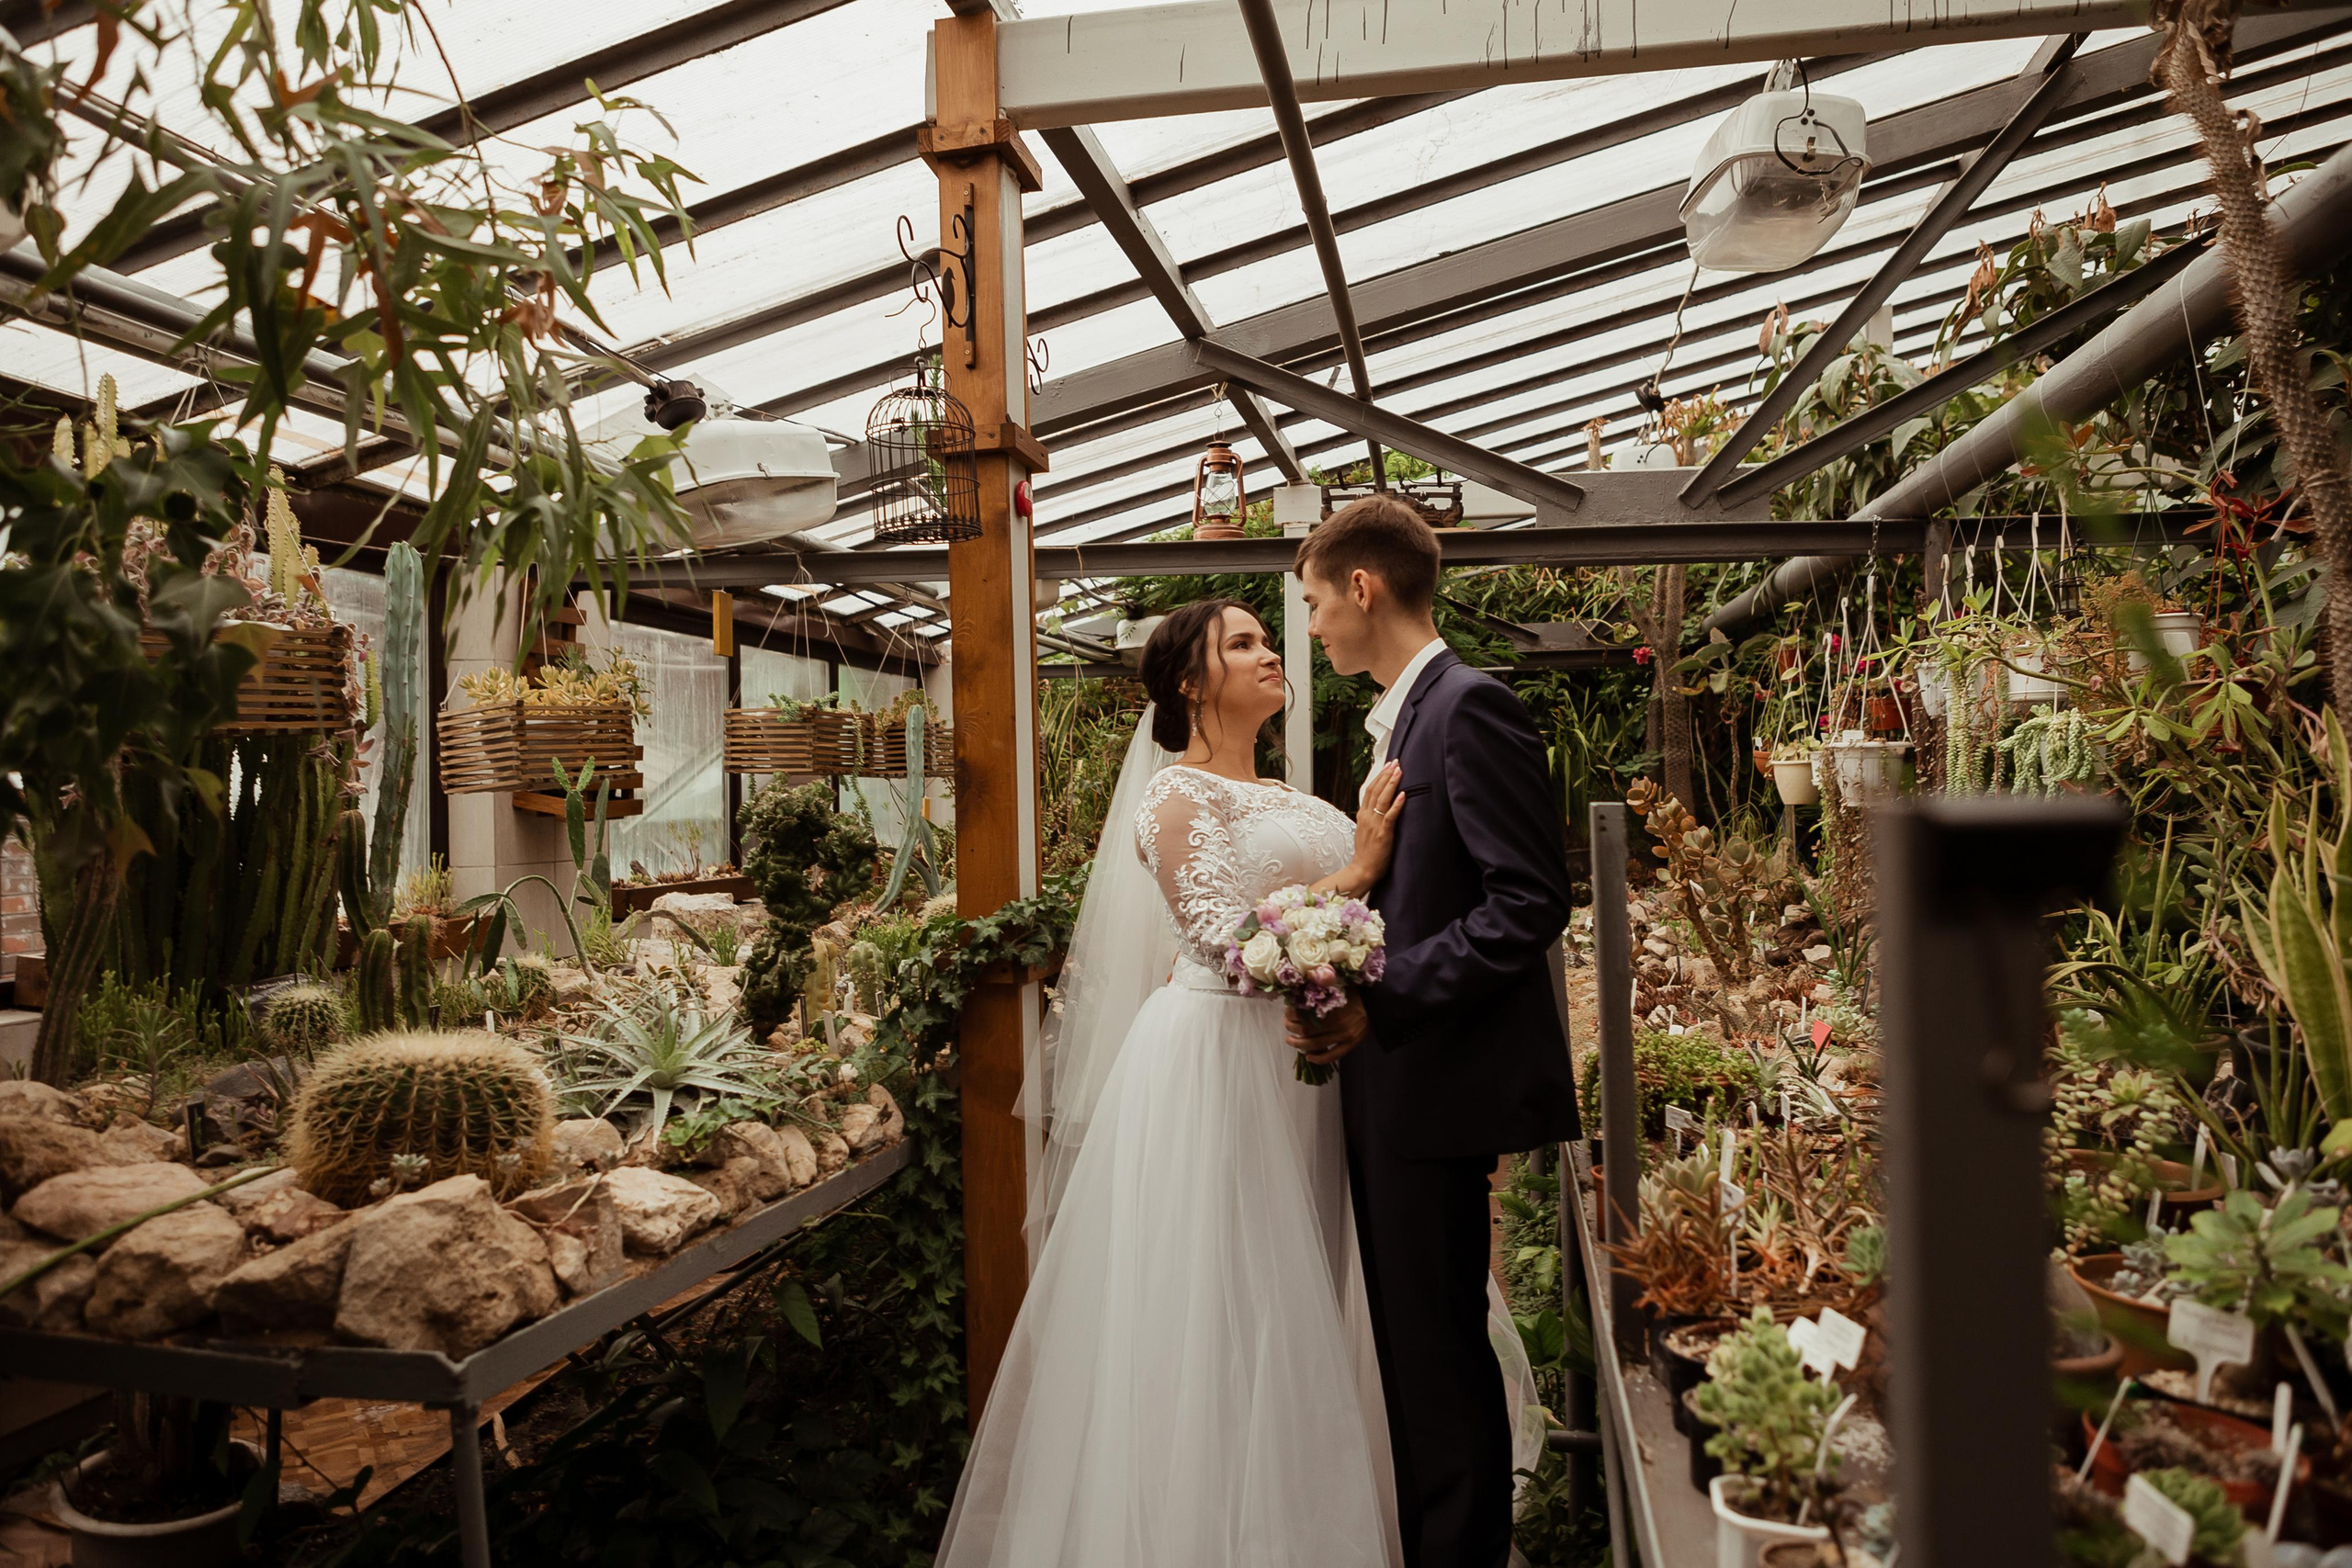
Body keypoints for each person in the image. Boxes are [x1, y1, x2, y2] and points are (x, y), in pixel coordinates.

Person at [934, 597, 1543, 1568]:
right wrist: (1360, 872)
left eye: (1271, 637)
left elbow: (1384, 918)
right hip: (1217, 1068)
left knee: (1323, 1292)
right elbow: (1226, 942)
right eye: (1244, 643)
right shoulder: (1175, 798)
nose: (1271, 653)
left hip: (1319, 1066)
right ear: (1189, 681)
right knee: (1233, 1301)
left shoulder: (1303, 801)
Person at [1292, 496, 1581, 1568]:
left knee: (1438, 1358)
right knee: (1418, 1354)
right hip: (1397, 1079)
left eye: (1318, 602)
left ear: (1363, 588)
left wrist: (1383, 995)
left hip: (1433, 1085)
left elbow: (1526, 902)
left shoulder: (1466, 707)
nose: (1315, 626)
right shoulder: (1411, 717)